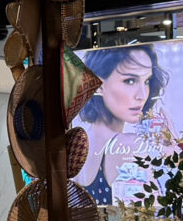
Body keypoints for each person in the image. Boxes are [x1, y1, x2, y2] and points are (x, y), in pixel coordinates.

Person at [71, 45, 169, 206]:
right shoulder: (129, 144)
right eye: (130, 81)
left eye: (147, 81)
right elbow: (156, 215)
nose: (142, 95)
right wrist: (174, 158)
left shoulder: (79, 145)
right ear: (99, 86)